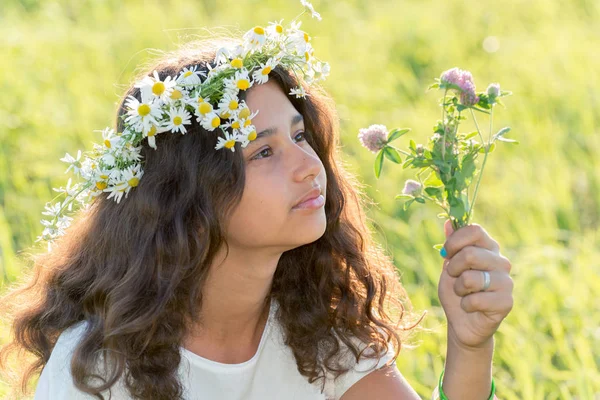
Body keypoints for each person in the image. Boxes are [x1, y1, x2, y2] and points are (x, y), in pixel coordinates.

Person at [0, 3, 513, 400]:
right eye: (263, 151)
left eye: (300, 137)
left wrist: (471, 344)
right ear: (190, 194)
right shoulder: (97, 370)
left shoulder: (320, 328)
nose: (310, 166)